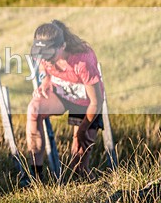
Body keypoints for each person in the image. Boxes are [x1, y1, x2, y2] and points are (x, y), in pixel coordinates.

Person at [26, 20, 104, 182]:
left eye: (49, 55)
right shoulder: (44, 54)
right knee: (34, 109)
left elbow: (96, 102)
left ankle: (98, 188)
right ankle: (34, 176)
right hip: (61, 94)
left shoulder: (83, 61)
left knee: (78, 162)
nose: (45, 59)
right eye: (41, 54)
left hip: (86, 103)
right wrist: (46, 80)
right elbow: (42, 67)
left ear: (62, 46)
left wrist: (82, 130)